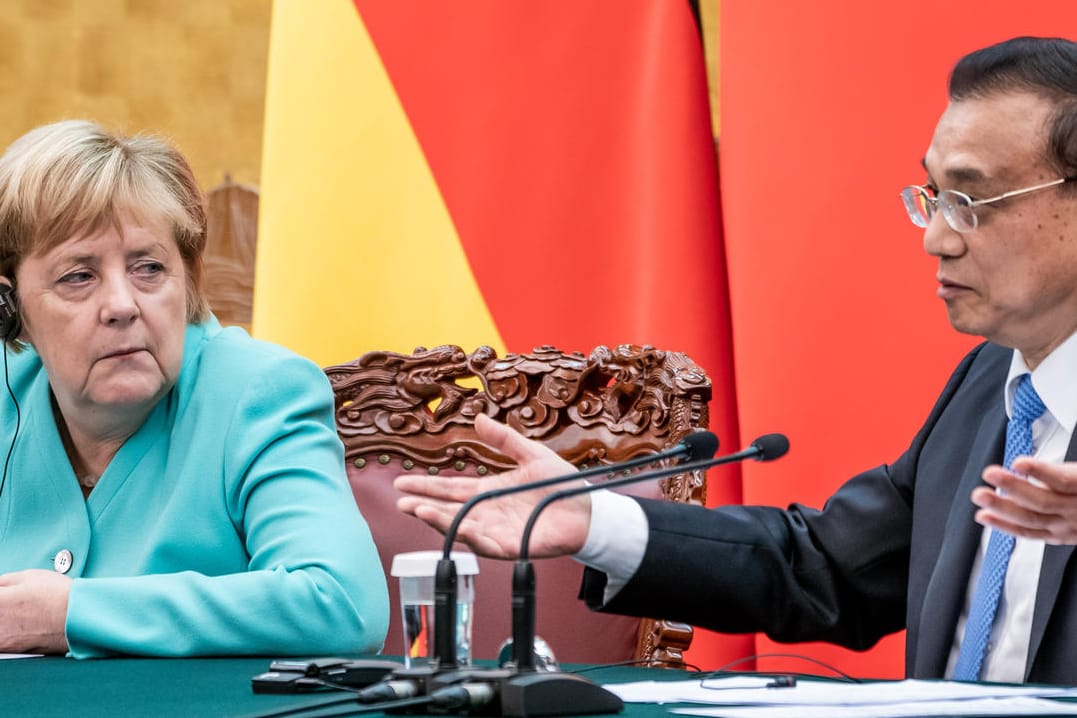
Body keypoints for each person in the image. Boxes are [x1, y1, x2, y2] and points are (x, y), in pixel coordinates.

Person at [396, 35, 1077, 685]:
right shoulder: (991, 382)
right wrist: (593, 519)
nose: (934, 239)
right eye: (930, 197)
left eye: (967, 202)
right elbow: (827, 568)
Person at [0, 120, 389, 658]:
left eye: (149, 268)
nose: (122, 305)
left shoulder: (257, 392)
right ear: (10, 309)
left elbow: (341, 601)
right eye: (78, 276)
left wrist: (72, 613)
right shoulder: (7, 396)